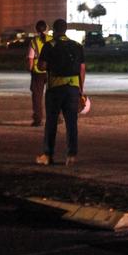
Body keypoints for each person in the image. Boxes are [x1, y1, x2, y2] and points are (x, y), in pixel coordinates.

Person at [36, 18, 85, 166]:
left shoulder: (49, 45)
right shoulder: (77, 46)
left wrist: (48, 65)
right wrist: (80, 90)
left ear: (54, 30)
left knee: (51, 122)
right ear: (65, 30)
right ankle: (71, 156)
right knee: (72, 123)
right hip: (73, 88)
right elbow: (82, 69)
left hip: (55, 88)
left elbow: (41, 66)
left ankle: (48, 155)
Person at [26, 20, 49, 126]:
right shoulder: (52, 40)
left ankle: (38, 119)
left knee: (37, 97)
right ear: (47, 28)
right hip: (51, 72)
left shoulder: (33, 41)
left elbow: (30, 58)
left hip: (37, 72)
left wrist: (30, 68)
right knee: (54, 96)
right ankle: (57, 117)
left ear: (36, 29)